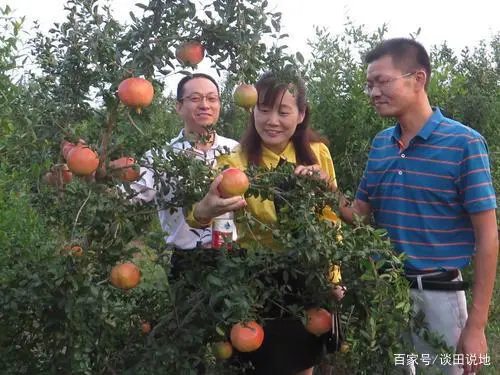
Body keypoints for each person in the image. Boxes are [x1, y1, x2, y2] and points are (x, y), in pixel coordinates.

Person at [338, 38, 498, 375]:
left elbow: (487, 237)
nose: (373, 92)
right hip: (387, 295)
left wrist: (477, 326)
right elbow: (359, 218)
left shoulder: (464, 143)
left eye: (382, 81)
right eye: (369, 85)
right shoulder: (382, 144)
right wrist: (325, 189)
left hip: (439, 297)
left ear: (418, 78)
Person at [186, 71, 340, 375]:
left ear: (301, 114)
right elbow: (202, 216)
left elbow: (330, 219)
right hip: (253, 279)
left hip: (306, 275)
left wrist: (333, 277)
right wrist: (203, 210)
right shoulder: (234, 163)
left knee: (300, 364)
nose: (272, 120)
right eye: (263, 109)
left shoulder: (317, 154)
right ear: (252, 110)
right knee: (256, 364)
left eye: (283, 111)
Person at [128, 73, 239, 253]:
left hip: (230, 252)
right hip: (183, 258)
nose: (205, 105)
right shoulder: (159, 156)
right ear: (179, 106)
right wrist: (97, 174)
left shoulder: (235, 149)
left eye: (212, 98)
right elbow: (128, 195)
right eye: (195, 98)